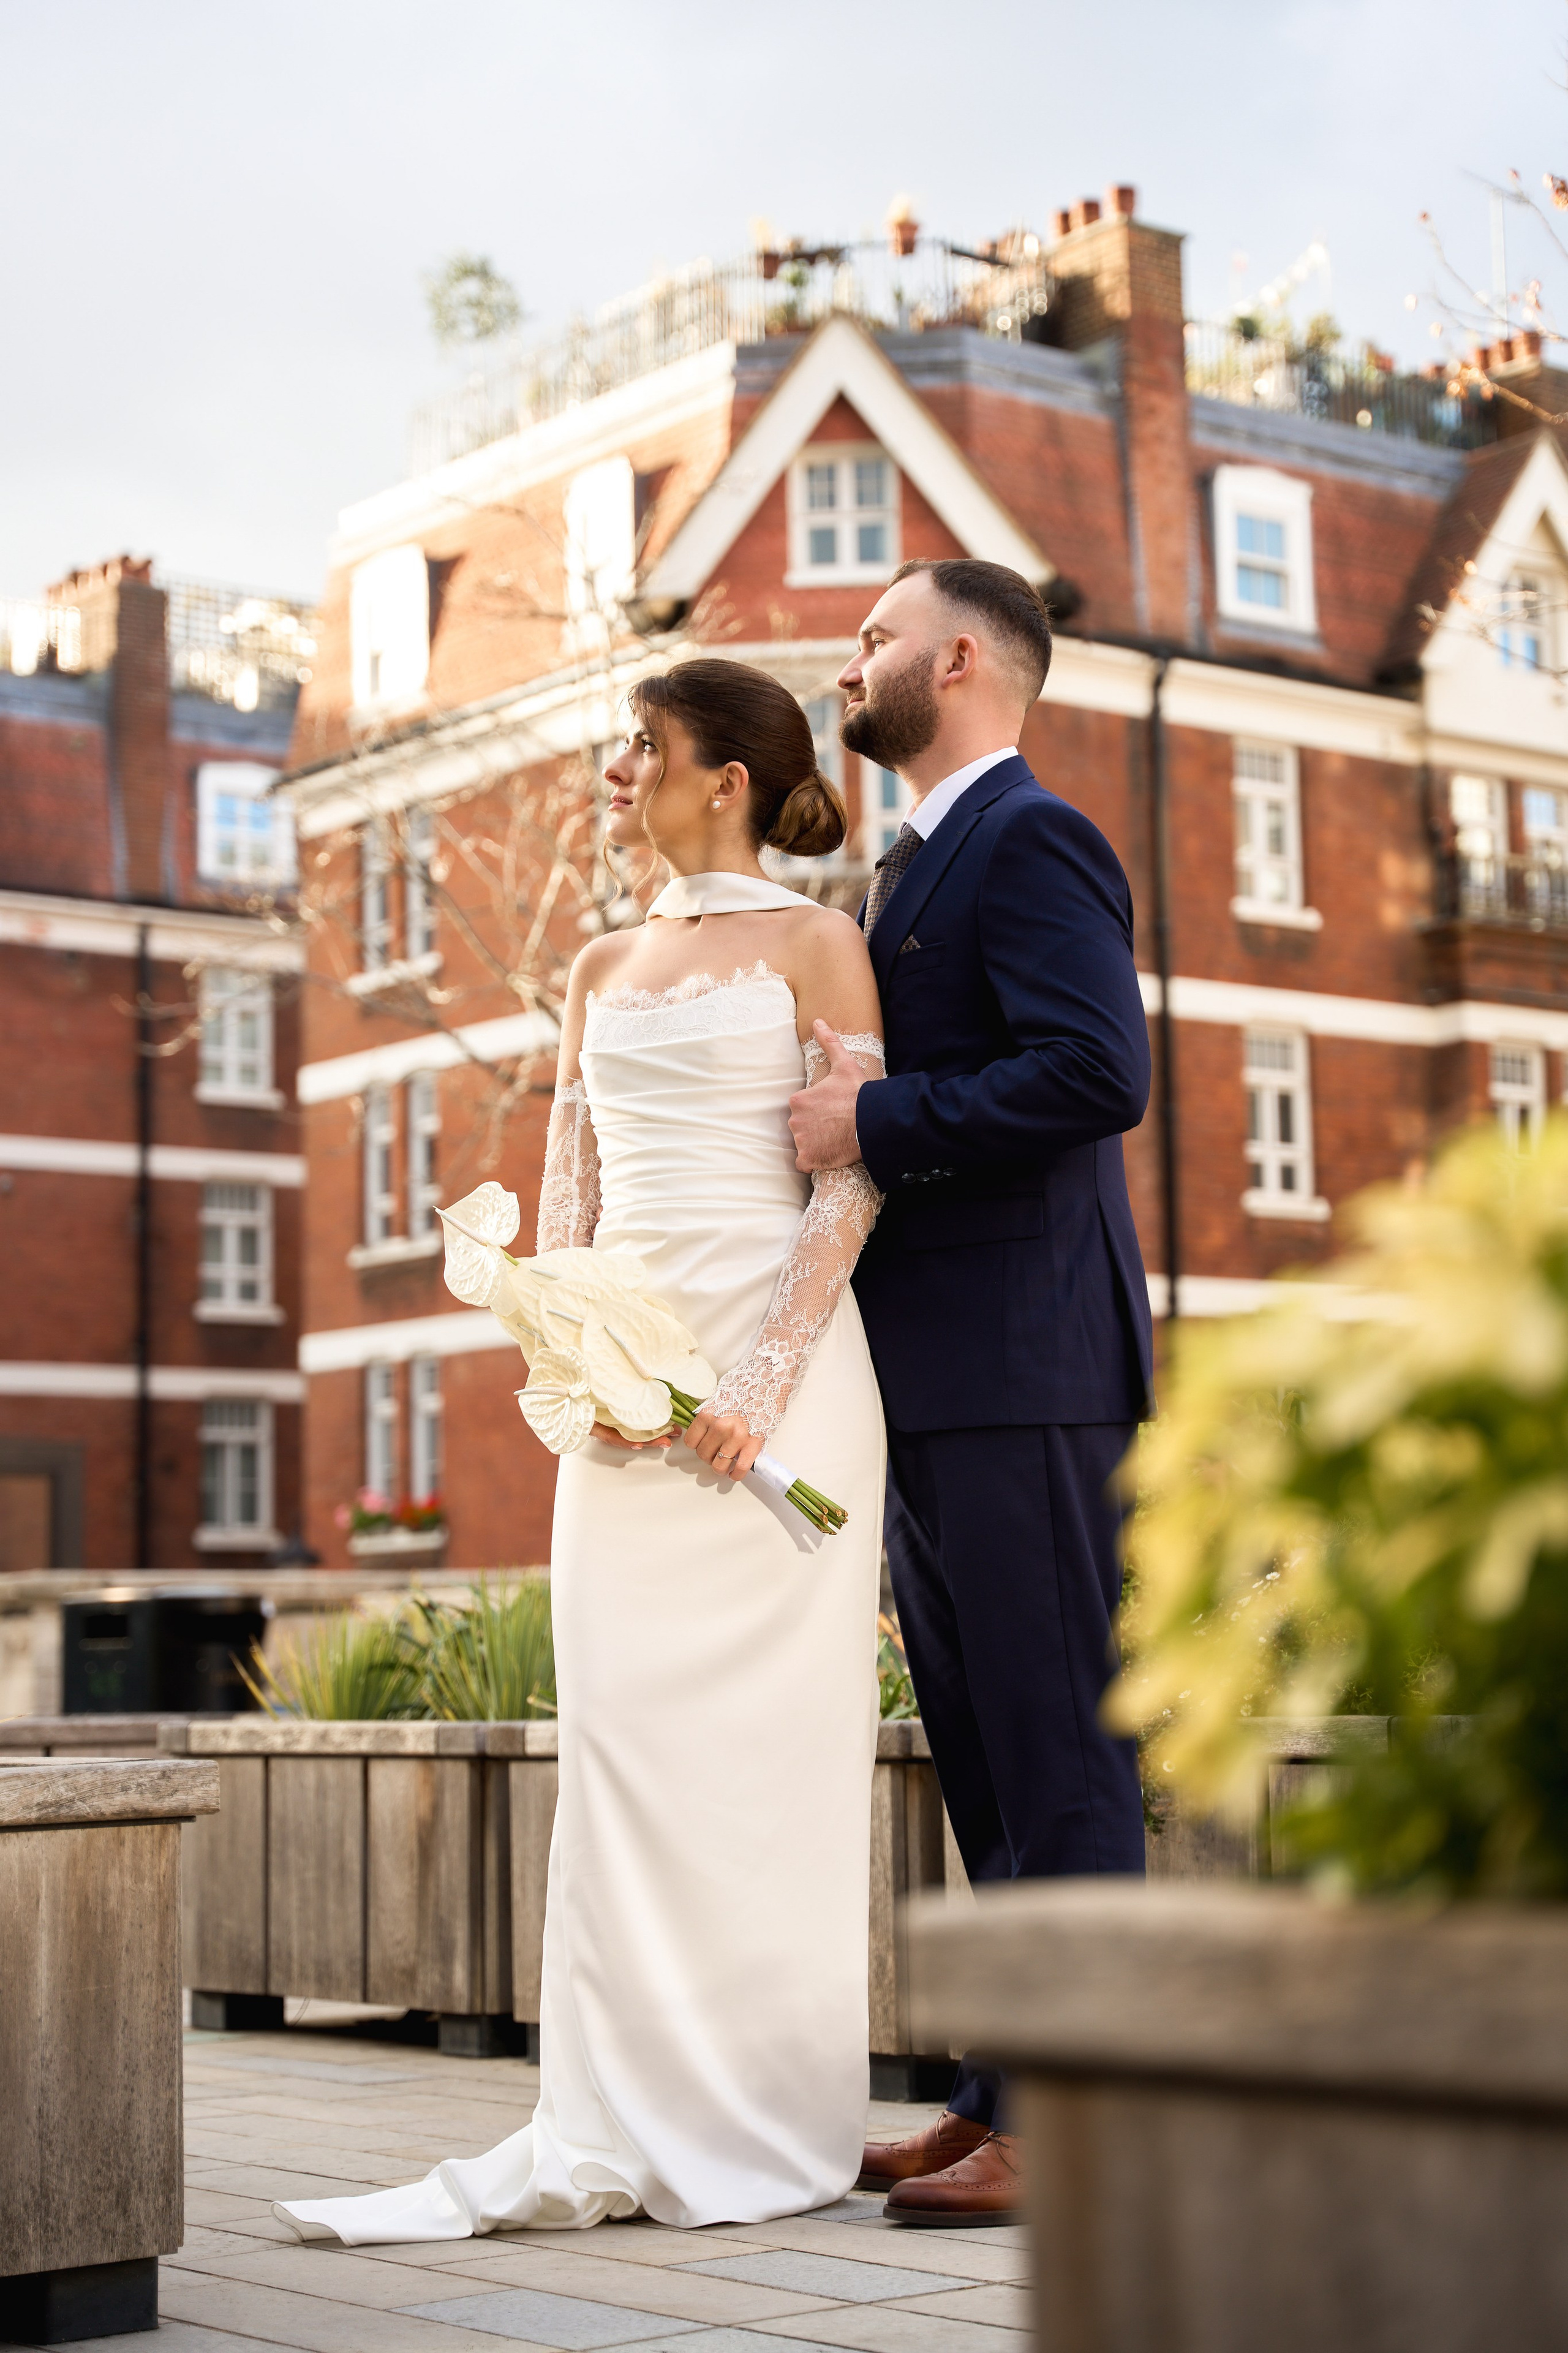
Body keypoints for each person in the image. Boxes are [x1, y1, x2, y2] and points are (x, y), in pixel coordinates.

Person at [274, 659, 889, 2243]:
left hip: (788, 1384)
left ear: (726, 779)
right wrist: (573, 1355)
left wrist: (755, 1383)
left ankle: (771, 2113)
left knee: (770, 1768)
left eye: (644, 747)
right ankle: (607, 2112)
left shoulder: (826, 939)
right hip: (624, 1407)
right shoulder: (595, 959)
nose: (620, 771)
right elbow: (567, 1198)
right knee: (621, 1754)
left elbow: (851, 1180)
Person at [790, 556, 1153, 2227]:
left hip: (1030, 1370)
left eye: (868, 637)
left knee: (1060, 1752)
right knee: (987, 1758)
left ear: (955, 659)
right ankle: (999, 2091)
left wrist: (871, 1124)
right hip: (931, 1382)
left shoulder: (1035, 837)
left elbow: (1099, 1070)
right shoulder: (910, 864)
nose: (843, 662)